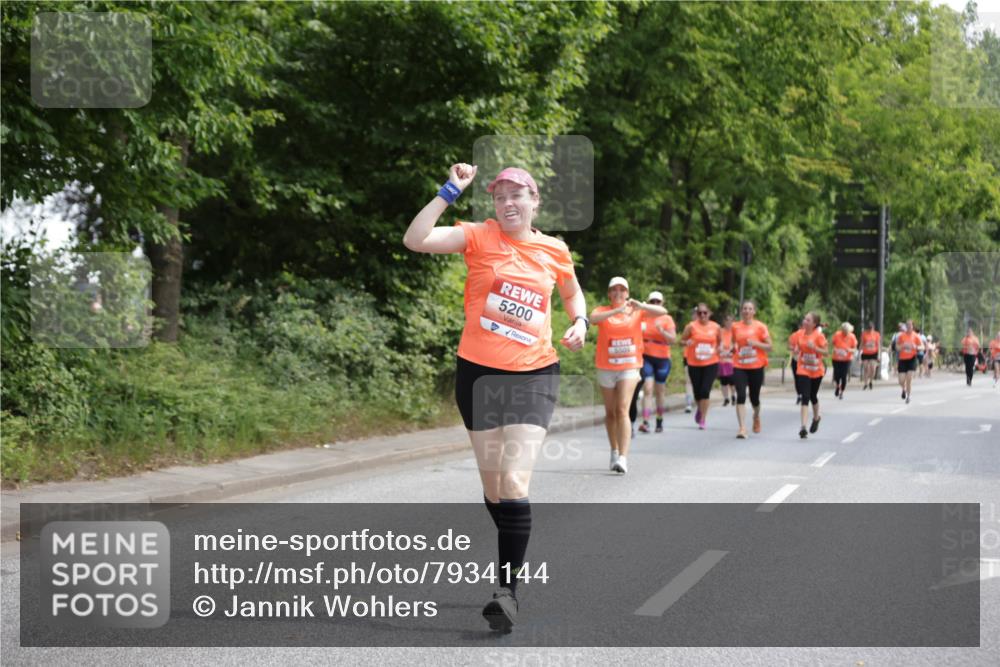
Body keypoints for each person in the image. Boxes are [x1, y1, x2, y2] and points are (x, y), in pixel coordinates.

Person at [403, 164, 587, 633]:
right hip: (478, 376)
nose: (507, 202)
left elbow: (571, 290)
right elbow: (415, 239)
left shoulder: (554, 249)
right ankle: (513, 536)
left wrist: (580, 321)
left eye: (517, 194)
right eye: (500, 196)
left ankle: (506, 592)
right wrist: (450, 190)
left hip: (533, 375)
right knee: (493, 491)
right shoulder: (477, 237)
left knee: (514, 482)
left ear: (534, 201)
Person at [592, 277, 667, 473]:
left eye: (622, 290)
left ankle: (623, 458)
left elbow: (662, 312)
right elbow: (592, 319)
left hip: (630, 366)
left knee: (623, 409)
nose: (618, 293)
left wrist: (641, 304)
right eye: (614, 290)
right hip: (606, 366)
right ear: (609, 294)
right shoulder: (602, 310)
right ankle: (614, 450)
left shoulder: (637, 311)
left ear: (627, 293)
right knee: (611, 412)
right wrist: (616, 310)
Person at [731, 300, 772, 439]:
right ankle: (742, 428)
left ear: (754, 311)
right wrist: (733, 347)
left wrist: (755, 343)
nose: (747, 311)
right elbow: (732, 342)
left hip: (756, 366)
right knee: (741, 395)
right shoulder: (735, 326)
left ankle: (756, 416)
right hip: (739, 365)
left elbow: (770, 347)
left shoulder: (760, 327)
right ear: (741, 311)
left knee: (754, 398)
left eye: (750, 309)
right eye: (745, 309)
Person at [637, 291, 676, 433]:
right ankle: (646, 421)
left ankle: (659, 419)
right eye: (652, 301)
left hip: (662, 358)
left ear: (662, 303)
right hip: (646, 356)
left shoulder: (667, 319)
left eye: (657, 302)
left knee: (660, 391)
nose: (655, 304)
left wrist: (662, 332)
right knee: (647, 389)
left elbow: (673, 339)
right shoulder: (643, 316)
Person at [680, 303, 723, 430]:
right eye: (700, 313)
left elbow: (720, 342)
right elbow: (681, 341)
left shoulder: (716, 327)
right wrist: (686, 342)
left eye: (705, 313)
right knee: (697, 392)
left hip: (711, 363)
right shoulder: (691, 326)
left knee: (705, 390)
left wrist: (719, 348)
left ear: (709, 313)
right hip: (694, 363)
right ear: (697, 314)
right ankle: (700, 408)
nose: (702, 315)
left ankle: (703, 418)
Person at [795, 312, 828, 439]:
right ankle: (803, 427)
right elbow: (797, 348)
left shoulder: (819, 336)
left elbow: (825, 353)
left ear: (814, 324)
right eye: (805, 319)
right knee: (805, 396)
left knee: (813, 396)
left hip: (816, 370)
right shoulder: (799, 334)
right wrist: (797, 351)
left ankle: (816, 418)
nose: (805, 321)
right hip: (803, 369)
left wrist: (815, 348)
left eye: (808, 320)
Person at [895, 320, 923, 402]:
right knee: (901, 380)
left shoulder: (916, 336)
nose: (908, 326)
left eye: (910, 325)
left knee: (909, 379)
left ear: (912, 326)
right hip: (902, 359)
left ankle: (908, 396)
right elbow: (897, 346)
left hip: (912, 359)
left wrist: (916, 347)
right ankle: (903, 389)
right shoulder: (901, 336)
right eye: (907, 325)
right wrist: (901, 346)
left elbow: (922, 347)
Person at [831, 322, 858, 400]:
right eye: (844, 331)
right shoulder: (837, 334)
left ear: (849, 331)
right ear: (841, 330)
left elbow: (855, 349)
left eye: (847, 332)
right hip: (836, 358)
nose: (845, 333)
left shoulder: (852, 337)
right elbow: (832, 343)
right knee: (836, 375)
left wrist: (849, 349)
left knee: (843, 376)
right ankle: (837, 386)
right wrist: (835, 349)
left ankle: (841, 392)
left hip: (846, 359)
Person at [682, 306, 698, 413]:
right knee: (688, 380)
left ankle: (698, 400)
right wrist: (686, 342)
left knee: (697, 382)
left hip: (702, 358)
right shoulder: (688, 327)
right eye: (695, 314)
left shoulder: (707, 327)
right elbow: (681, 341)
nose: (697, 316)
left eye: (699, 313)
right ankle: (688, 403)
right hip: (688, 356)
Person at [718, 314, 735, 406]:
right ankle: (726, 398)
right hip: (722, 360)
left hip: (731, 360)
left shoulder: (734, 332)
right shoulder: (720, 331)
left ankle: (733, 396)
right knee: (723, 381)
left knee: (732, 381)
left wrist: (730, 351)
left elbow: (736, 344)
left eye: (730, 321)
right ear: (724, 322)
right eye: (727, 321)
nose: (729, 323)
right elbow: (718, 342)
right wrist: (721, 350)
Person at [860, 321, 881, 390]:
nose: (870, 329)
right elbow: (862, 343)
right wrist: (859, 352)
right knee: (866, 368)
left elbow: (878, 345)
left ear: (873, 327)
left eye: (871, 328)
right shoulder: (864, 334)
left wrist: (879, 355)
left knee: (873, 368)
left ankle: (871, 381)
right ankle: (865, 383)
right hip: (865, 353)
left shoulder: (876, 334)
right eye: (869, 328)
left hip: (874, 353)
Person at [788, 319, 804, 404]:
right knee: (804, 378)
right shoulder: (808, 334)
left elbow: (789, 346)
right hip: (805, 360)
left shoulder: (793, 335)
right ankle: (803, 394)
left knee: (797, 378)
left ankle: (799, 395)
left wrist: (794, 348)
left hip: (796, 359)